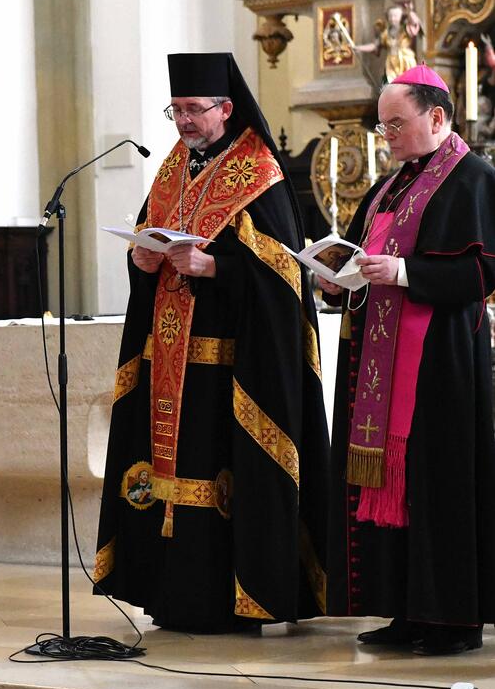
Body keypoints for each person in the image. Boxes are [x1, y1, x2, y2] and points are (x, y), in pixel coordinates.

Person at [93, 52, 330, 632]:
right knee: (163, 472)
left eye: (194, 109)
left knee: (217, 474)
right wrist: (142, 261)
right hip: (167, 357)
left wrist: (214, 266)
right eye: (175, 110)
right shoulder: (174, 166)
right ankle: (169, 594)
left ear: (225, 109)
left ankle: (229, 601)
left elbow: (285, 273)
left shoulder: (259, 171)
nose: (183, 121)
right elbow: (150, 235)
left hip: (229, 367)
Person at [318, 65, 495, 655]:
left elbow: (482, 271)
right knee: (394, 488)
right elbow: (356, 253)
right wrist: (335, 280)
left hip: (440, 362)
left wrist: (403, 272)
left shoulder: (474, 179)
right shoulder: (389, 187)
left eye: (396, 124)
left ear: (436, 117)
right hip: (379, 361)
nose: (387, 136)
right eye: (382, 126)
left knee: (438, 484)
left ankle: (451, 620)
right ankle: (404, 610)